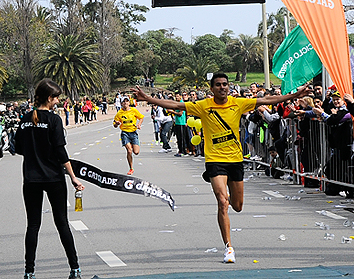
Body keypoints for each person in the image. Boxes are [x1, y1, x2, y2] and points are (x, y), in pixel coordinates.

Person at [131, 73, 310, 263]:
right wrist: (148, 98)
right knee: (222, 201)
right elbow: (176, 105)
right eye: (218, 85)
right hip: (215, 160)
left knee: (237, 206)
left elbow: (266, 99)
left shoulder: (238, 103)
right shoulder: (203, 106)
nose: (222, 87)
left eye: (225, 84)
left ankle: (231, 206)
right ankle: (229, 247)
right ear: (212, 88)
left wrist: (293, 97)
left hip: (235, 159)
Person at [14, 79, 84, 279]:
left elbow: (18, 148)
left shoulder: (25, 118)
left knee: (33, 225)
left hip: (31, 179)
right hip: (53, 178)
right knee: (62, 223)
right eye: (56, 98)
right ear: (49, 98)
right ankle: (75, 268)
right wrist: (73, 177)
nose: (58, 101)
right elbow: (61, 152)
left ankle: (29, 272)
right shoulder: (54, 120)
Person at [112, 96, 144, 175]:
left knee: (136, 152)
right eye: (124, 102)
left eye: (127, 101)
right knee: (129, 151)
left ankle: (133, 145)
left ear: (129, 103)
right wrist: (116, 123)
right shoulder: (119, 113)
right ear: (121, 103)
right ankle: (131, 168)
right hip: (125, 133)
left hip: (133, 132)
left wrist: (139, 124)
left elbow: (141, 117)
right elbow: (115, 124)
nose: (125, 103)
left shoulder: (133, 110)